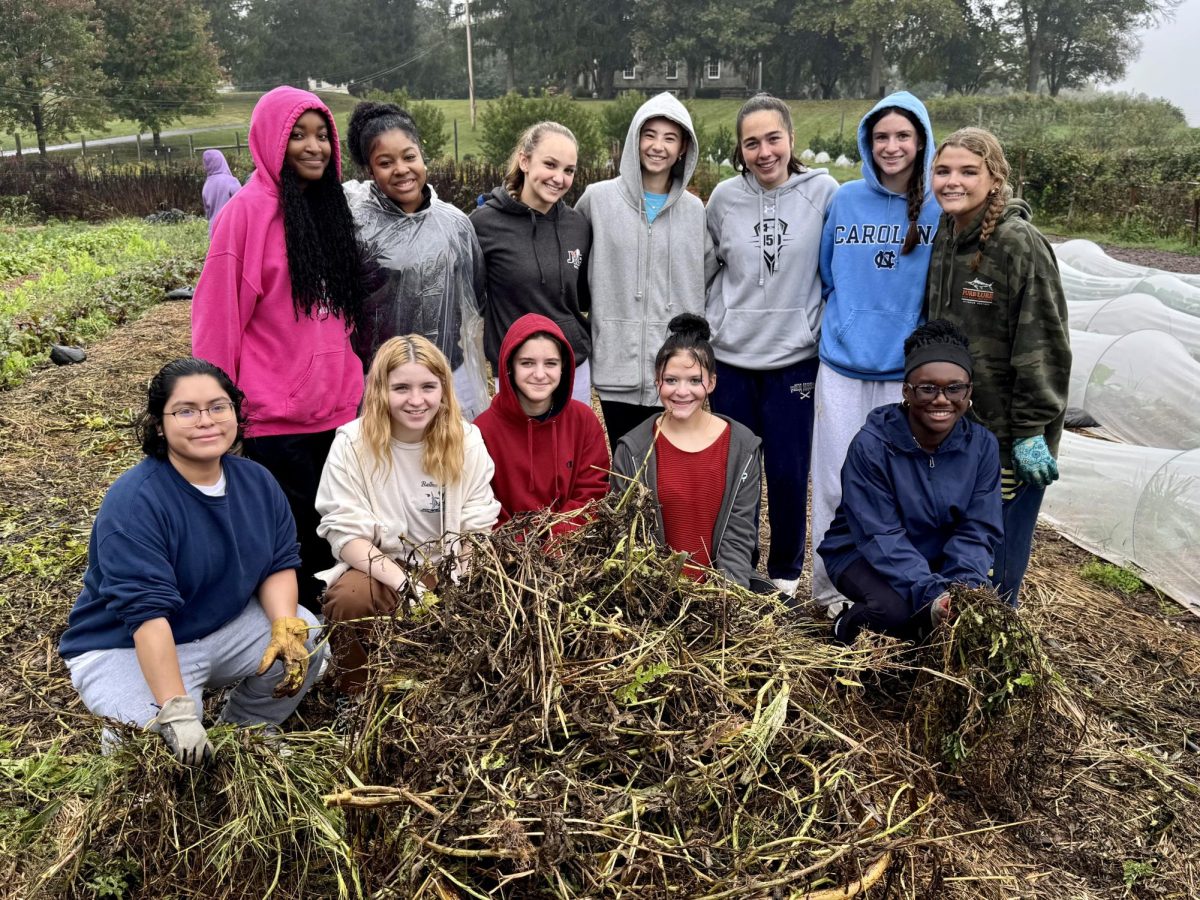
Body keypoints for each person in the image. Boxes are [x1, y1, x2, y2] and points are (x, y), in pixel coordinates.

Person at [59, 358, 325, 763]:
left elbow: (278, 562)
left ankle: (248, 730)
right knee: (152, 747)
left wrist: (285, 626)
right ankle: (135, 739)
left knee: (309, 637)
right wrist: (177, 709)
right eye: (186, 411)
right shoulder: (136, 502)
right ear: (159, 424)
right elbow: (146, 614)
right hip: (126, 644)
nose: (206, 420)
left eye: (218, 407)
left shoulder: (256, 481)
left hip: (220, 627)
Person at [192, 86, 366, 612]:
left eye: (322, 136)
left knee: (338, 532)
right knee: (295, 544)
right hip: (278, 420)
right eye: (298, 135)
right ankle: (303, 649)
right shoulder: (244, 215)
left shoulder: (326, 209)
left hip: (338, 413)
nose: (314, 147)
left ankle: (342, 641)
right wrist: (215, 414)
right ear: (270, 140)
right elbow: (217, 324)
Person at [924, 127, 1071, 606]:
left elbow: (1044, 341)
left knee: (996, 550)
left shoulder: (1017, 243)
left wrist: (1031, 430)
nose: (953, 181)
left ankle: (996, 638)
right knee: (959, 543)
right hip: (956, 426)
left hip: (1007, 436)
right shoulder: (948, 233)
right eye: (943, 170)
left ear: (995, 178)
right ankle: (952, 642)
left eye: (969, 171)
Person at [810, 92, 941, 617]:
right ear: (868, 141)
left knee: (902, 488)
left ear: (921, 142)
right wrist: (848, 324)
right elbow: (826, 274)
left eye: (902, 136)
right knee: (836, 480)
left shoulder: (937, 205)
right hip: (842, 366)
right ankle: (829, 592)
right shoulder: (845, 200)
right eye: (881, 136)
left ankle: (894, 595)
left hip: (904, 375)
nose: (891, 146)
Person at [705, 94, 839, 596]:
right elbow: (707, 268)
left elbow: (836, 267)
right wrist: (715, 324)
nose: (764, 152)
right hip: (734, 360)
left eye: (773, 139)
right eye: (751, 143)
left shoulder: (823, 192)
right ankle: (740, 569)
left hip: (794, 362)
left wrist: (818, 325)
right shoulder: (723, 199)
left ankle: (784, 574)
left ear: (791, 139)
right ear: (740, 150)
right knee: (738, 473)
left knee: (787, 472)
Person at [316, 335, 500, 692]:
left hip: (450, 565)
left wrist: (460, 581)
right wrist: (406, 584)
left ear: (444, 390)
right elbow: (344, 532)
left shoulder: (467, 440)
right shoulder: (352, 444)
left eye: (428, 387)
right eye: (401, 388)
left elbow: (478, 524)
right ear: (380, 391)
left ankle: (456, 688)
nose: (417, 401)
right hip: (385, 568)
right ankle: (356, 692)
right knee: (349, 598)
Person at [818, 321, 1002, 644]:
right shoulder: (873, 445)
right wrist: (932, 595)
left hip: (934, 558)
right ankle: (846, 626)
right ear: (906, 391)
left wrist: (961, 592)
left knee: (973, 620)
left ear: (969, 391)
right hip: (861, 552)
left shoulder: (982, 447)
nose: (941, 399)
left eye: (954, 388)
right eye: (927, 388)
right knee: (897, 612)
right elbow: (880, 535)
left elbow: (978, 530)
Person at [575, 92, 716, 448]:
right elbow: (574, 269)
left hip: (676, 371)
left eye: (670, 138)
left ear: (684, 147)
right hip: (616, 363)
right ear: (634, 139)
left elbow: (708, 275)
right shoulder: (597, 200)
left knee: (671, 470)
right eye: (649, 134)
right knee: (626, 468)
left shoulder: (695, 210)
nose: (658, 146)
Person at [344, 101, 489, 419]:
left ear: (422, 155)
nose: (401, 169)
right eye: (385, 162)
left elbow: (474, 302)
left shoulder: (455, 224)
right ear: (370, 170)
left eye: (409, 156)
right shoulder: (354, 224)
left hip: (448, 374)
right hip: (380, 382)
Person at [612, 314, 762, 588]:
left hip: (721, 591)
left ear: (712, 382)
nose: (682, 391)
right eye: (671, 380)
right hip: (653, 592)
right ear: (657, 381)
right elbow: (628, 537)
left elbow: (739, 536)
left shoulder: (742, 446)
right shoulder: (633, 450)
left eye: (695, 380)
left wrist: (726, 599)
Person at [470, 121, 592, 406]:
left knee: (568, 449)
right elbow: (472, 298)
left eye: (568, 170)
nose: (559, 178)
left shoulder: (577, 225)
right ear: (524, 161)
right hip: (516, 369)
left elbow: (582, 296)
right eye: (550, 164)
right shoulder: (484, 224)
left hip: (572, 364)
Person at [474, 313, 609, 535]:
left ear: (563, 366)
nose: (539, 374)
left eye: (550, 363)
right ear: (510, 365)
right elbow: (483, 503)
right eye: (527, 363)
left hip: (572, 549)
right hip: (506, 554)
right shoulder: (482, 431)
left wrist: (556, 538)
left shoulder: (583, 420)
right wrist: (519, 547)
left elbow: (592, 490)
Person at [201, 149, 241, 236]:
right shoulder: (231, 181)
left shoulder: (206, 185)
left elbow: (207, 212)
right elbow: (241, 204)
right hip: (230, 228)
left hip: (214, 230)